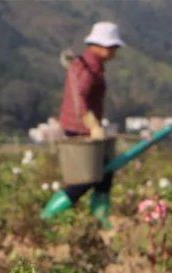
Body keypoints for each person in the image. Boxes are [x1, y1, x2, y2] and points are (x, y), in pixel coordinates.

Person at [42, 22, 124, 226]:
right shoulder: (87, 68)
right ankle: (48, 216)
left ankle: (101, 219)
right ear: (101, 46)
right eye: (113, 47)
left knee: (105, 174)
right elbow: (81, 101)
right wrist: (94, 127)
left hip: (86, 127)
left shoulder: (91, 66)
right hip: (80, 129)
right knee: (85, 178)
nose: (115, 51)